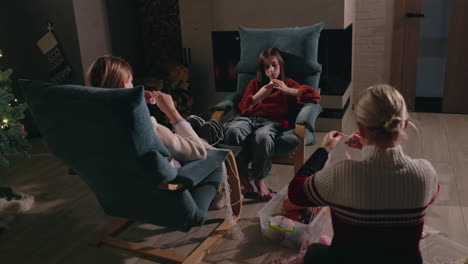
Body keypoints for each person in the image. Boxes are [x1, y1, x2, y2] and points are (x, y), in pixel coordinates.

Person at [288, 84, 439, 264]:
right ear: (404, 124)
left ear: (360, 127)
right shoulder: (425, 173)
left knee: (314, 251)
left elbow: (296, 192)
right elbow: (429, 194)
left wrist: (324, 149)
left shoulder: (342, 174)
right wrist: (370, 146)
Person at [224, 48, 320, 201]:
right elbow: (242, 108)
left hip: (271, 123)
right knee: (232, 130)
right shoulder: (255, 83)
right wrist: (257, 96)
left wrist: (289, 90)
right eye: (266, 67)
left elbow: (314, 96)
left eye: (274, 65)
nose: (271, 70)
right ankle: (241, 176)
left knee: (262, 137)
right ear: (262, 69)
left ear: (280, 65)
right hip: (248, 120)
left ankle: (259, 179)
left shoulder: (288, 83)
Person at [86, 55, 207, 165]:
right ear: (124, 85)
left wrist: (134, 99)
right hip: (176, 180)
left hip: (122, 186)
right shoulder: (145, 127)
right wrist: (171, 111)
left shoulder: (92, 125)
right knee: (210, 132)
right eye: (131, 82)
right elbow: (199, 152)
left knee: (201, 127)